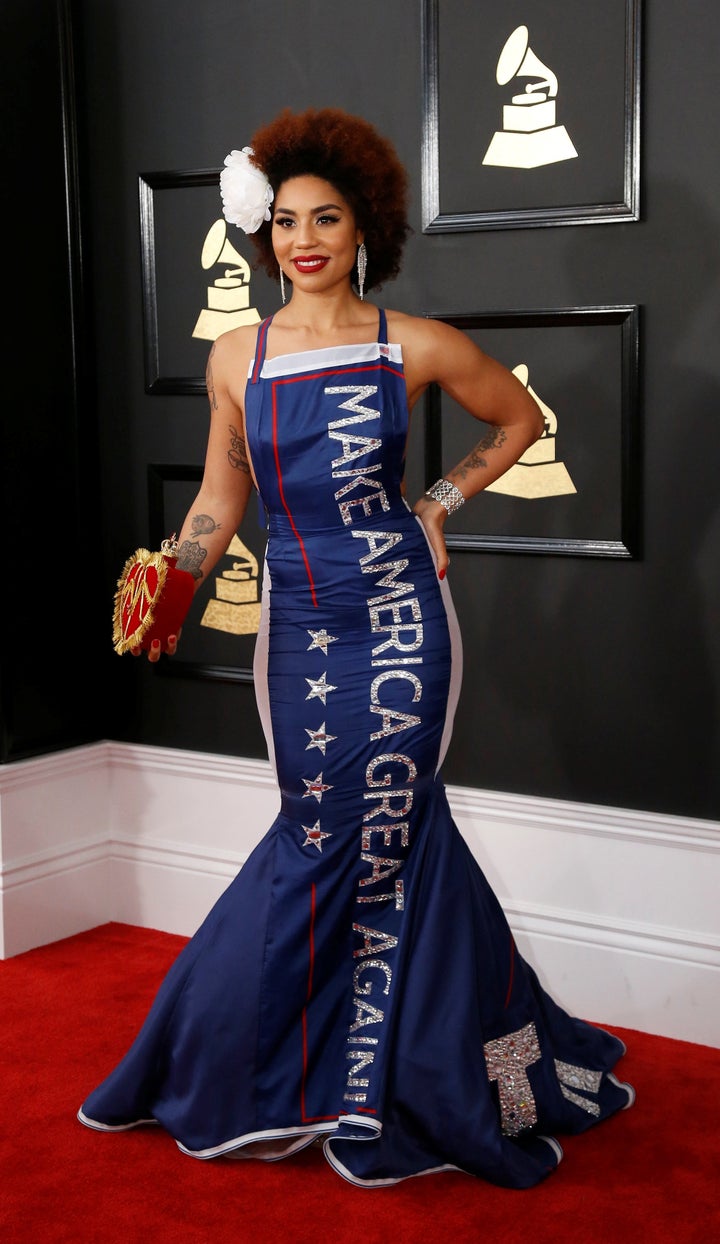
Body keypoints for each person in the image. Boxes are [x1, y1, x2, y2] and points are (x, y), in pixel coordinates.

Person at [79, 107, 633, 1189]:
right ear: (265, 235)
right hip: (295, 626)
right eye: (285, 221)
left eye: (325, 217)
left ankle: (390, 1071)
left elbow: (518, 418)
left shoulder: (413, 343)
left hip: (401, 620)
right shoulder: (238, 352)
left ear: (363, 223)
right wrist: (176, 576)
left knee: (383, 824)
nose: (304, 238)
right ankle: (400, 1065)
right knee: (333, 828)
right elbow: (224, 491)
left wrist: (438, 498)